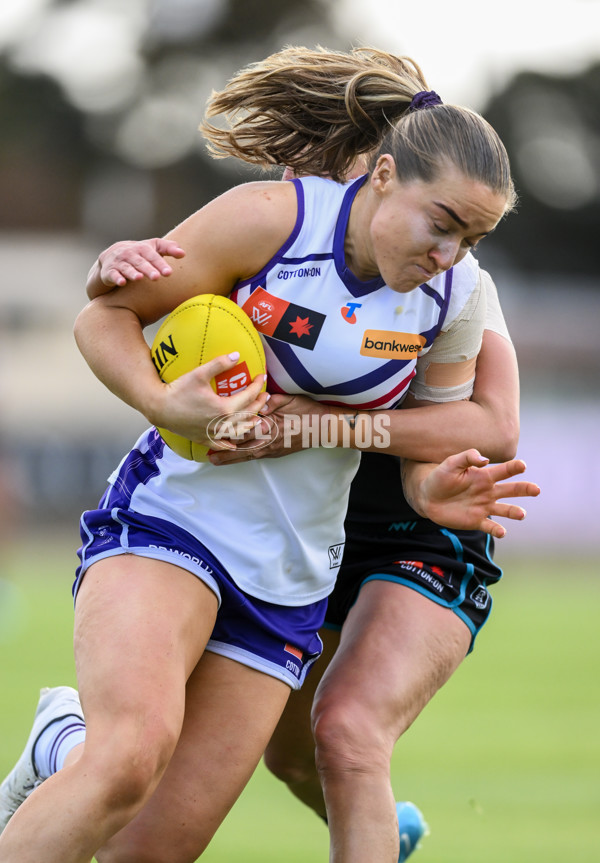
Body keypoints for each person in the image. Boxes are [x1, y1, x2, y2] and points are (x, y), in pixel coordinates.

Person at [0, 46, 539, 863]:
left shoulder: (454, 295)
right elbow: (102, 318)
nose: (449, 253)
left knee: (148, 848)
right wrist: (159, 399)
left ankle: (58, 747)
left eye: (470, 237)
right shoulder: (270, 219)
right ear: (382, 174)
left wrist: (432, 494)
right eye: (442, 225)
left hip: (289, 579)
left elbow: (451, 435)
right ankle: (80, 750)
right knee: (128, 756)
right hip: (175, 520)